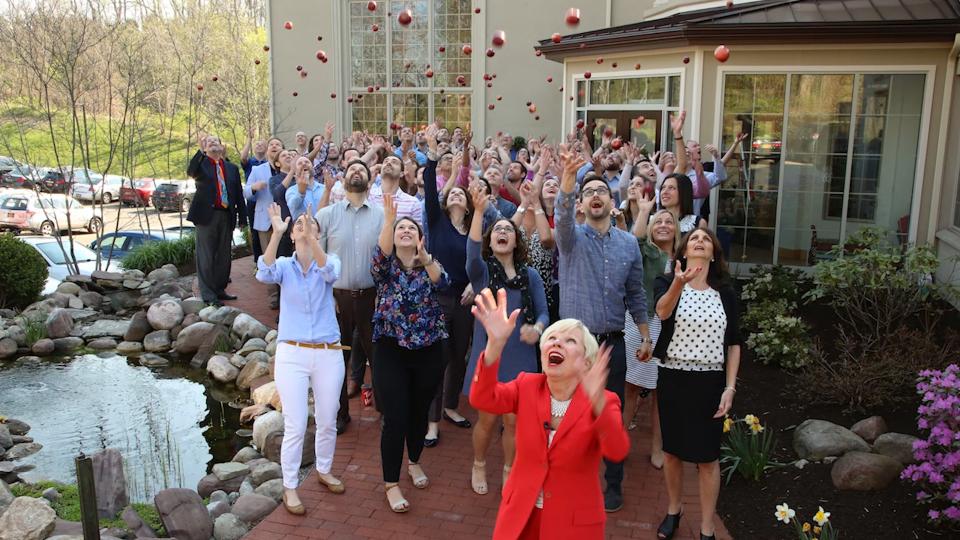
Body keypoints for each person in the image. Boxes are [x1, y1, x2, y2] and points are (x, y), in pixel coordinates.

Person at [469, 288, 629, 539]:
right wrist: (494, 346)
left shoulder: (605, 401)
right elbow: (482, 398)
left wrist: (597, 401)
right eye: (552, 338)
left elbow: (617, 450)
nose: (556, 342)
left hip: (573, 525)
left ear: (587, 362)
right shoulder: (527, 385)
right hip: (520, 517)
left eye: (569, 341)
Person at [555, 152, 650, 512]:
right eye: (589, 191)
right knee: (566, 416)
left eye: (602, 191)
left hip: (613, 344)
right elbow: (561, 219)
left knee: (610, 415)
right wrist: (567, 178)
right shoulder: (571, 239)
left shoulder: (628, 244)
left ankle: (613, 485)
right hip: (574, 344)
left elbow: (637, 293)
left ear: (613, 202)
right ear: (581, 203)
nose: (596, 195)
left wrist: (644, 334)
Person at [649, 227, 742, 540]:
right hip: (674, 377)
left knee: (707, 458)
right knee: (672, 452)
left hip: (711, 381)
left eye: (706, 239)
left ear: (713, 253)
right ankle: (674, 511)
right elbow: (662, 312)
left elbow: (734, 343)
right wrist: (679, 282)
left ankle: (706, 527)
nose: (700, 241)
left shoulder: (726, 292)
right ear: (684, 251)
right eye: (694, 239)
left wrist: (730, 387)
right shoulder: (667, 282)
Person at [256, 202, 345, 514]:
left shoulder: (328, 260)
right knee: (295, 422)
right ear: (292, 236)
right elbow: (263, 272)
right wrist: (277, 233)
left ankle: (323, 469)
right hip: (291, 352)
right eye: (299, 227)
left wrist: (314, 240)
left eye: (311, 226)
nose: (304, 230)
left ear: (319, 234)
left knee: (327, 418)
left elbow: (330, 271)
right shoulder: (283, 265)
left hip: (327, 352)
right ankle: (290, 486)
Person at [463, 188, 549, 496]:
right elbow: (472, 253)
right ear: (492, 240)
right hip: (491, 358)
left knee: (513, 423)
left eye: (507, 230)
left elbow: (543, 314)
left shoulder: (531, 276)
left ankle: (509, 469)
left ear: (516, 241)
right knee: (487, 421)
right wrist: (477, 210)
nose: (502, 232)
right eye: (497, 229)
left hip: (522, 358)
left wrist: (537, 330)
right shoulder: (483, 274)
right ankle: (479, 462)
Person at [372, 193, 449, 513]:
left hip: (429, 348)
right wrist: (389, 221)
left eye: (410, 228)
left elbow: (443, 283)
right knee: (396, 417)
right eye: (400, 228)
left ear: (420, 238)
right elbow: (378, 258)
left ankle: (414, 461)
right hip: (391, 348)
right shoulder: (386, 268)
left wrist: (425, 256)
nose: (405, 231)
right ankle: (391, 483)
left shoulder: (430, 265)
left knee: (419, 412)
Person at [317, 159, 384, 435]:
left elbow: (388, 259)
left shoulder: (381, 216)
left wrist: (384, 295)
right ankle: (341, 413)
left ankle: (386, 411)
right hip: (337, 299)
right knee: (337, 361)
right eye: (351, 170)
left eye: (362, 170)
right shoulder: (327, 216)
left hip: (373, 298)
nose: (356, 172)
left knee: (379, 358)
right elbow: (316, 264)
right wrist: (325, 297)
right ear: (344, 181)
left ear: (369, 182)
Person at [625, 206, 678, 470]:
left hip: (670, 328)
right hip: (640, 321)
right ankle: (620, 443)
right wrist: (644, 212)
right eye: (659, 222)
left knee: (661, 390)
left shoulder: (682, 259)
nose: (664, 225)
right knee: (631, 385)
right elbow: (634, 240)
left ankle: (657, 447)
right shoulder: (645, 252)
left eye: (669, 221)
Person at [186, 134, 247, 305]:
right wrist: (200, 152)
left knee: (224, 256)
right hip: (206, 216)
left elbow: (238, 195)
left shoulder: (231, 168)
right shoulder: (201, 164)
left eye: (216, 141)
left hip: (226, 216)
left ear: (222, 147)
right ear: (205, 148)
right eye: (209, 142)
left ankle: (220, 290)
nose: (212, 143)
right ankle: (208, 295)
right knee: (206, 256)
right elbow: (191, 171)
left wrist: (243, 218)